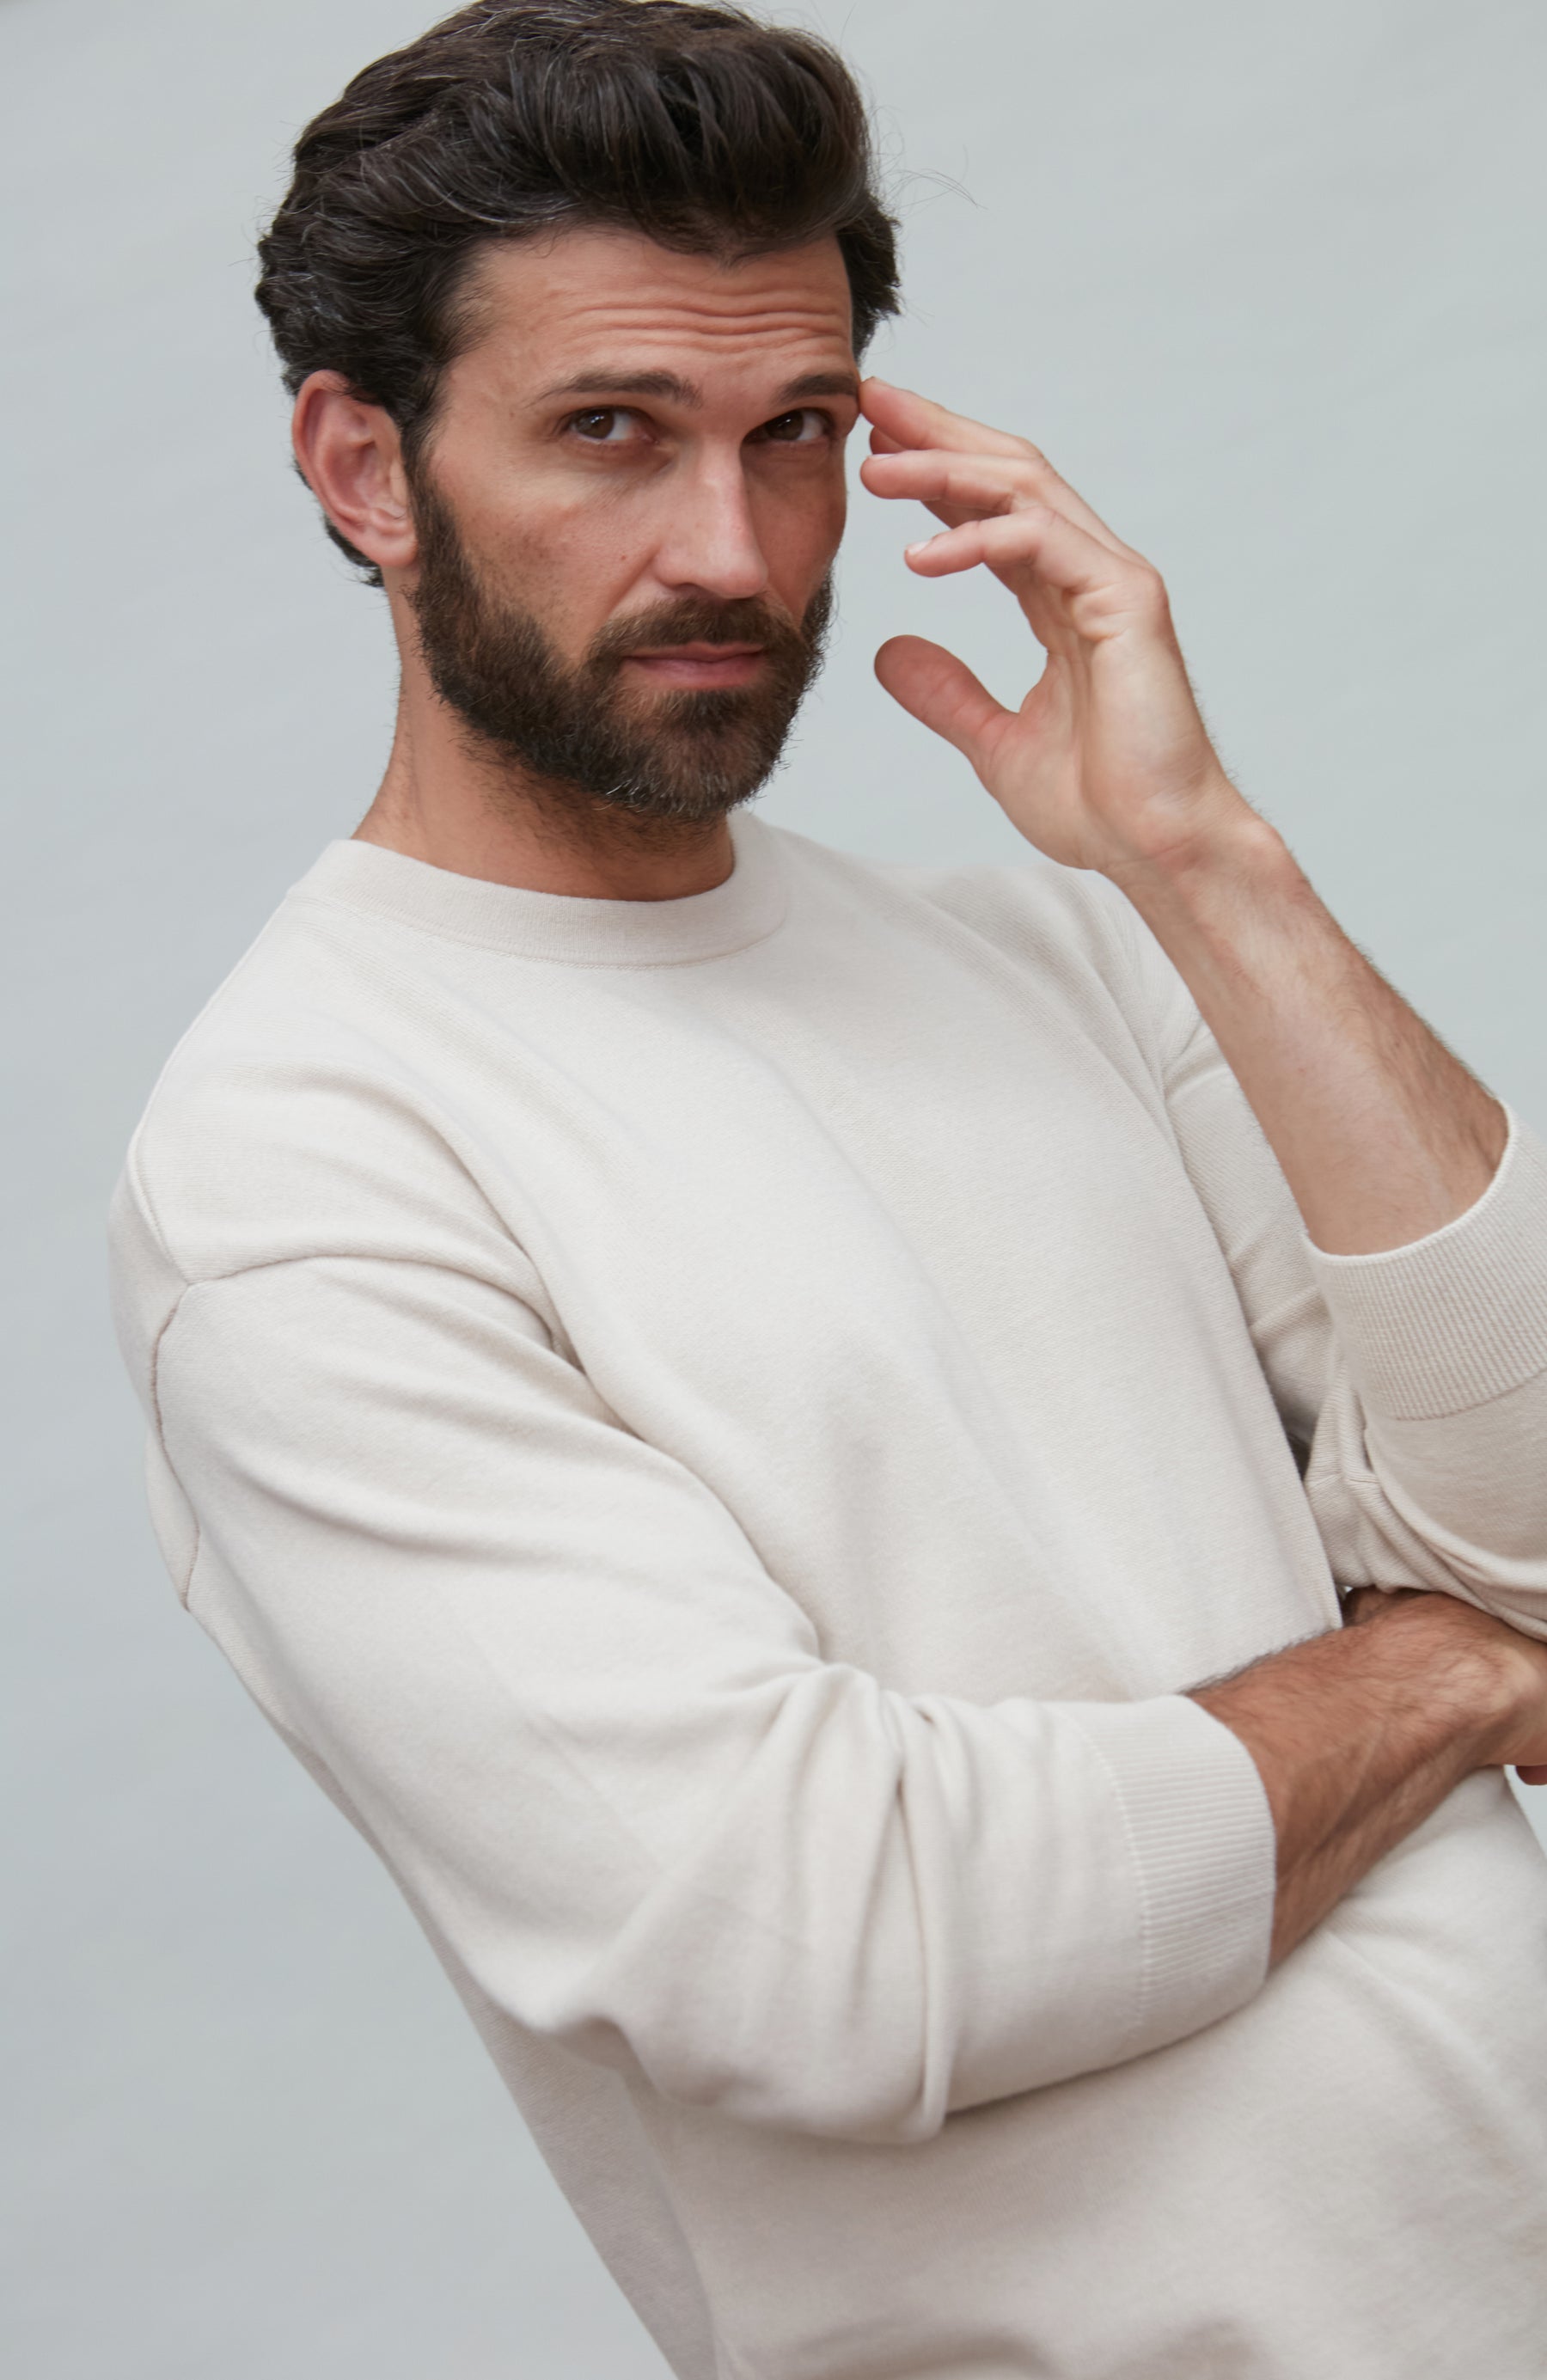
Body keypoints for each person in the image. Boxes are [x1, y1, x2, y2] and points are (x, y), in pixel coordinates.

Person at [108, 3, 1547, 2373]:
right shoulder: (303, 1159)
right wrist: (1448, 1665)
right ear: (366, 468)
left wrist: (1208, 861)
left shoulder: (1067, 947)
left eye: (794, 434)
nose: (732, 549)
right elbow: (826, 1944)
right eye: (611, 431)